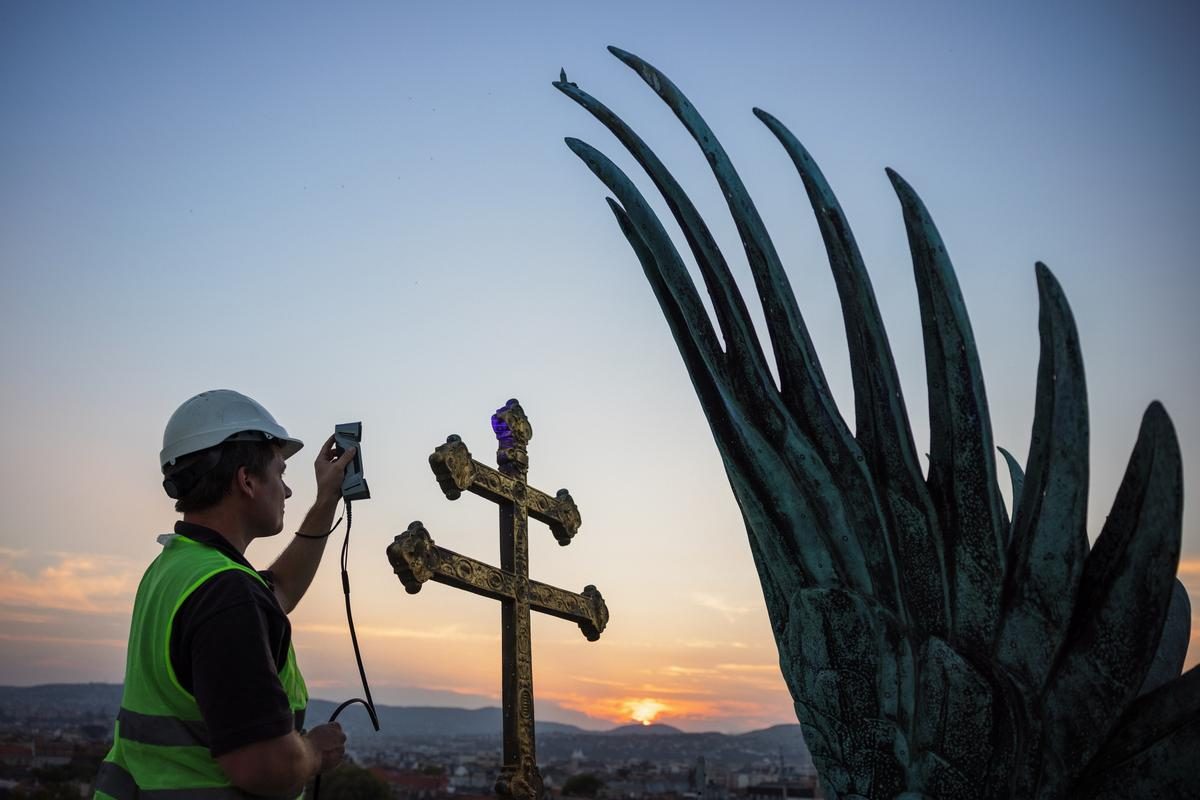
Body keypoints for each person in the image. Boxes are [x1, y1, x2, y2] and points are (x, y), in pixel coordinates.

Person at [95, 389, 354, 799]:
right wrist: (314, 752)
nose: (287, 492)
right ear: (247, 481)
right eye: (281, 473)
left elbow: (279, 590)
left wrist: (327, 500)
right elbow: (264, 766)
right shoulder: (225, 593)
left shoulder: (176, 569)